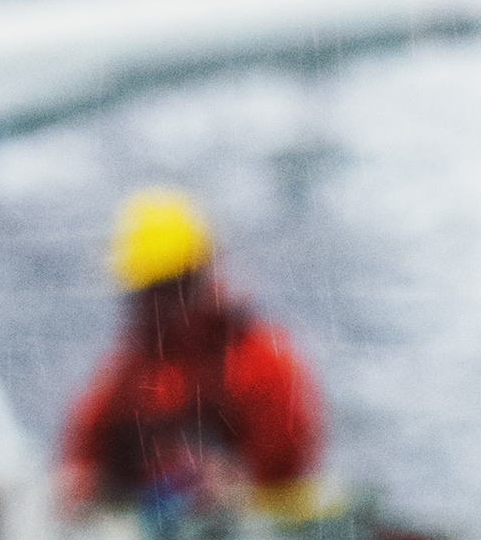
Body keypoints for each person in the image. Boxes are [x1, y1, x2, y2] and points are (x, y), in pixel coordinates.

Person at [55, 188, 330, 520]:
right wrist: (85, 483)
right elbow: (83, 457)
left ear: (196, 280)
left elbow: (287, 469)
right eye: (142, 292)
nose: (151, 306)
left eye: (164, 289)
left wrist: (236, 488)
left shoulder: (260, 361)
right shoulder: (127, 371)